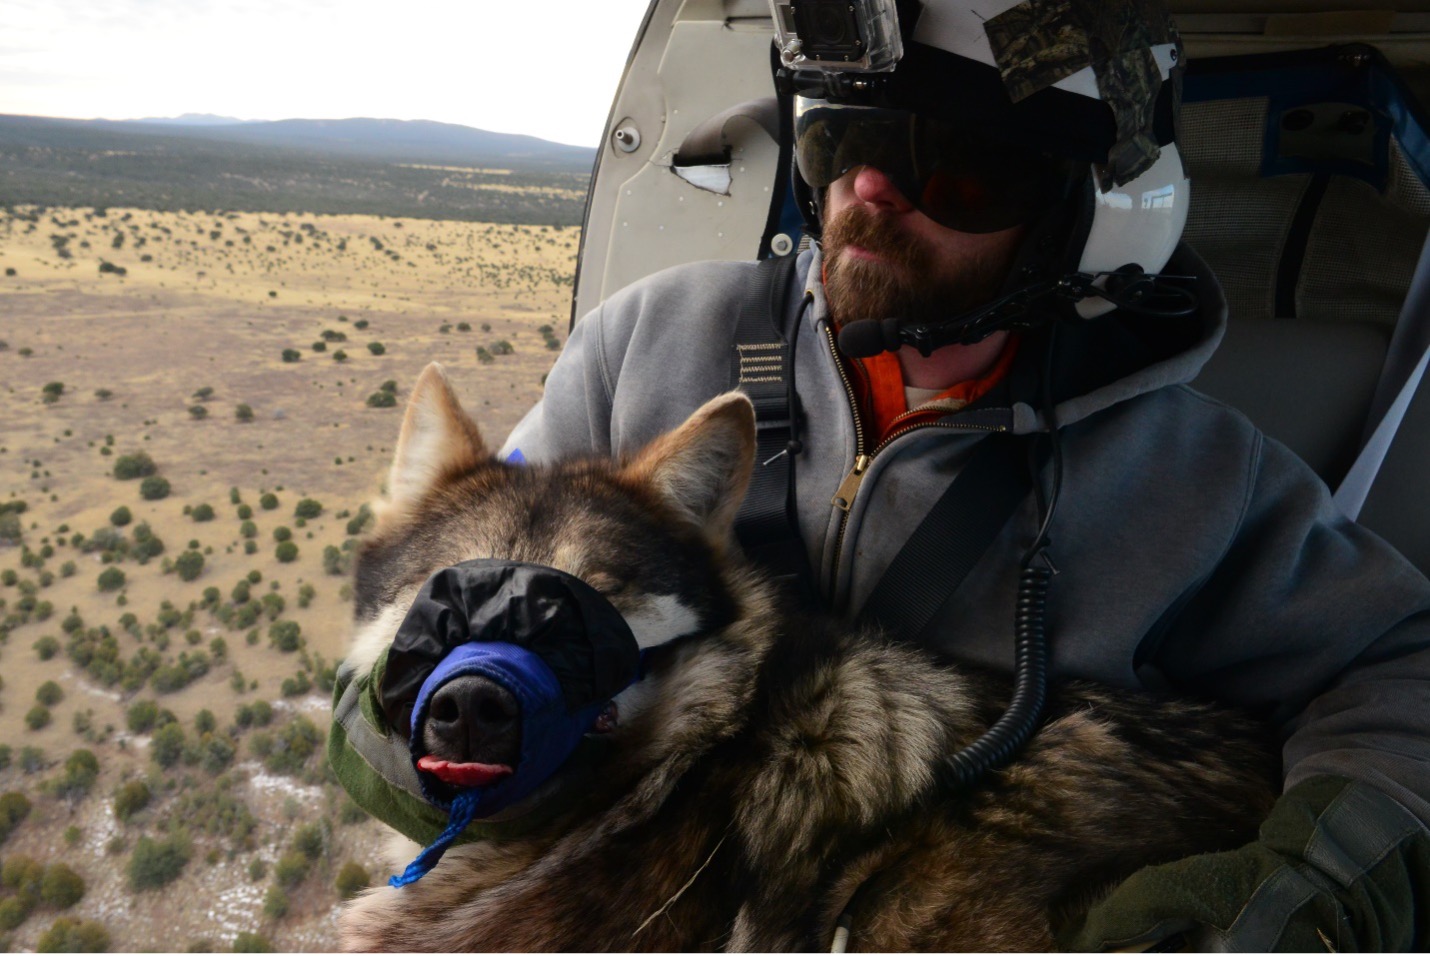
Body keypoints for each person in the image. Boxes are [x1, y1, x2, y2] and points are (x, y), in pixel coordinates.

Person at [498, 0, 1430, 949]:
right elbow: (474, 582)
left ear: (1088, 224)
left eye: (958, 167)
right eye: (840, 132)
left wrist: (1310, 887)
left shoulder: (1197, 475)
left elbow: (1401, 664)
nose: (868, 185)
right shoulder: (645, 346)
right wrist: (411, 717)